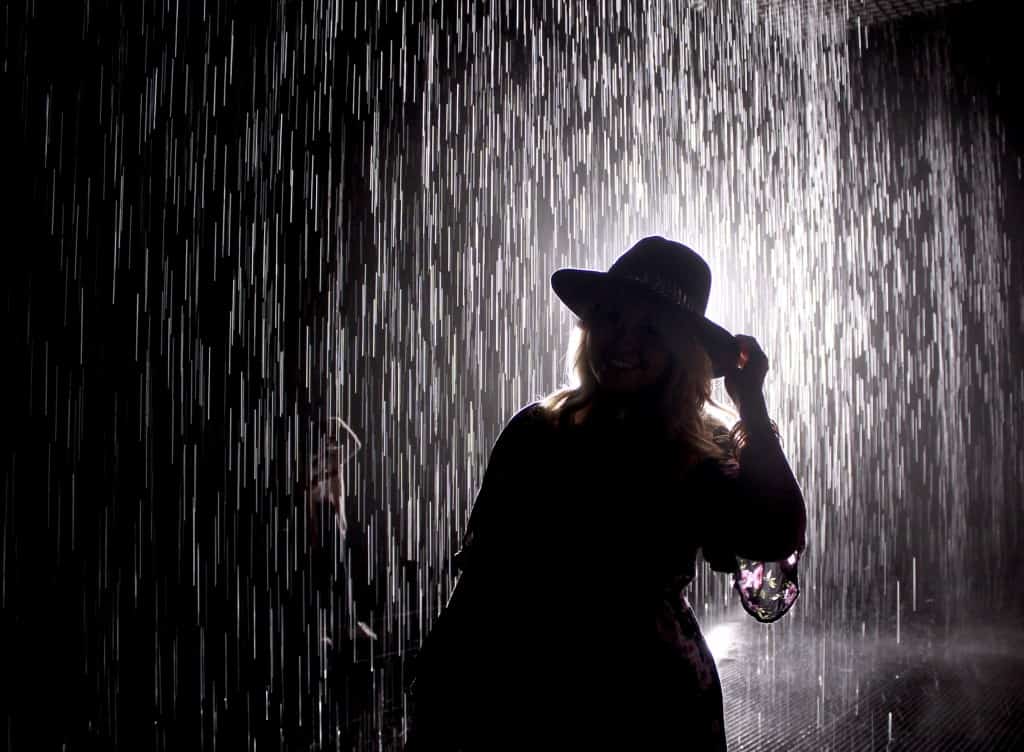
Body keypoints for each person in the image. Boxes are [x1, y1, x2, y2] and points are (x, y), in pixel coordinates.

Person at [406, 236, 807, 751]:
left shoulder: (703, 448)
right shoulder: (536, 431)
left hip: (651, 708)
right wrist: (441, 700)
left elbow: (772, 533)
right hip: (522, 701)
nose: (623, 341)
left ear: (683, 350)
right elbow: (481, 586)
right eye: (612, 318)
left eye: (649, 329)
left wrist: (751, 407)